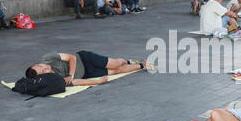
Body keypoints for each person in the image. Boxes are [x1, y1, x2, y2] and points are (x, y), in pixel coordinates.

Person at [25, 51, 155, 87]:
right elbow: (77, 82)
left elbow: (71, 58)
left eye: (41, 65)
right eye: (44, 70)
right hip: (87, 73)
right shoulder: (54, 80)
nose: (45, 66)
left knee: (116, 64)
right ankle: (142, 65)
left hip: (84, 58)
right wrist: (98, 82)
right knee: (117, 71)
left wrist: (70, 74)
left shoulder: (47, 58)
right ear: (43, 76)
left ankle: (127, 60)